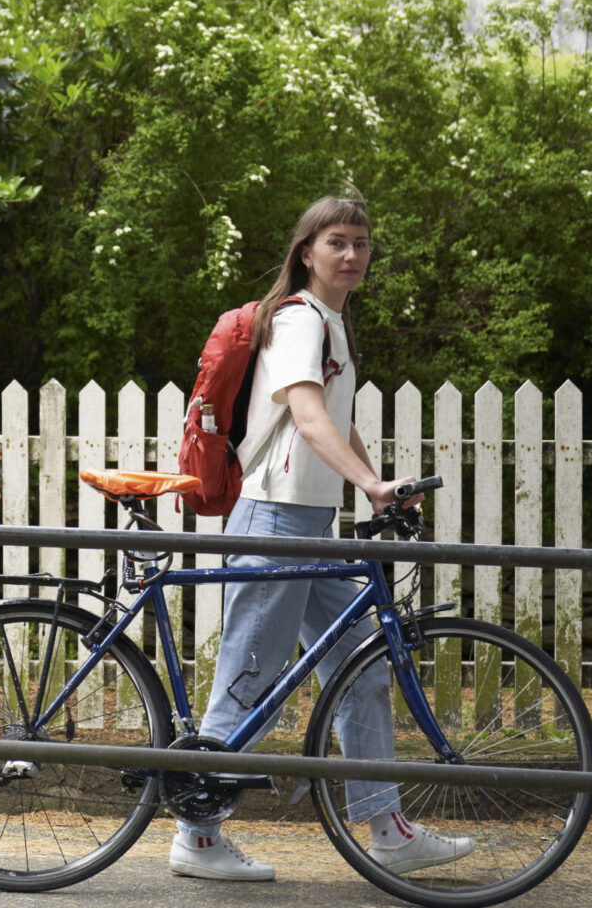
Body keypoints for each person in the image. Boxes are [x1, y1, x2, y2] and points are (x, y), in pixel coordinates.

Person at [169, 191, 475, 882]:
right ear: (306, 252)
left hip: (306, 525)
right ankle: (198, 833)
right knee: (248, 679)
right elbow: (307, 419)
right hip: (274, 519)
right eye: (337, 241)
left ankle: (387, 827)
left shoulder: (331, 325)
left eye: (362, 244)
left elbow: (337, 420)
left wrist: (376, 479)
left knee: (359, 669)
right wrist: (367, 486)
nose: (352, 255)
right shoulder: (301, 321)